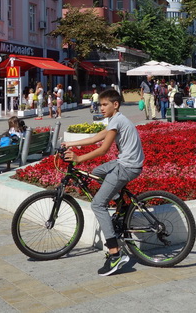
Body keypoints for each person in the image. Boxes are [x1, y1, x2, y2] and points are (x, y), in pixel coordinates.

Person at [63, 88, 144, 276]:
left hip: (127, 167)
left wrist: (78, 159)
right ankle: (120, 204)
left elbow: (103, 150)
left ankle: (115, 253)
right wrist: (71, 144)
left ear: (115, 105)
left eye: (104, 104)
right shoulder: (116, 119)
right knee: (98, 171)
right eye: (100, 104)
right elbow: (97, 137)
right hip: (127, 163)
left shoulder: (117, 120)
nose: (101, 107)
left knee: (98, 204)